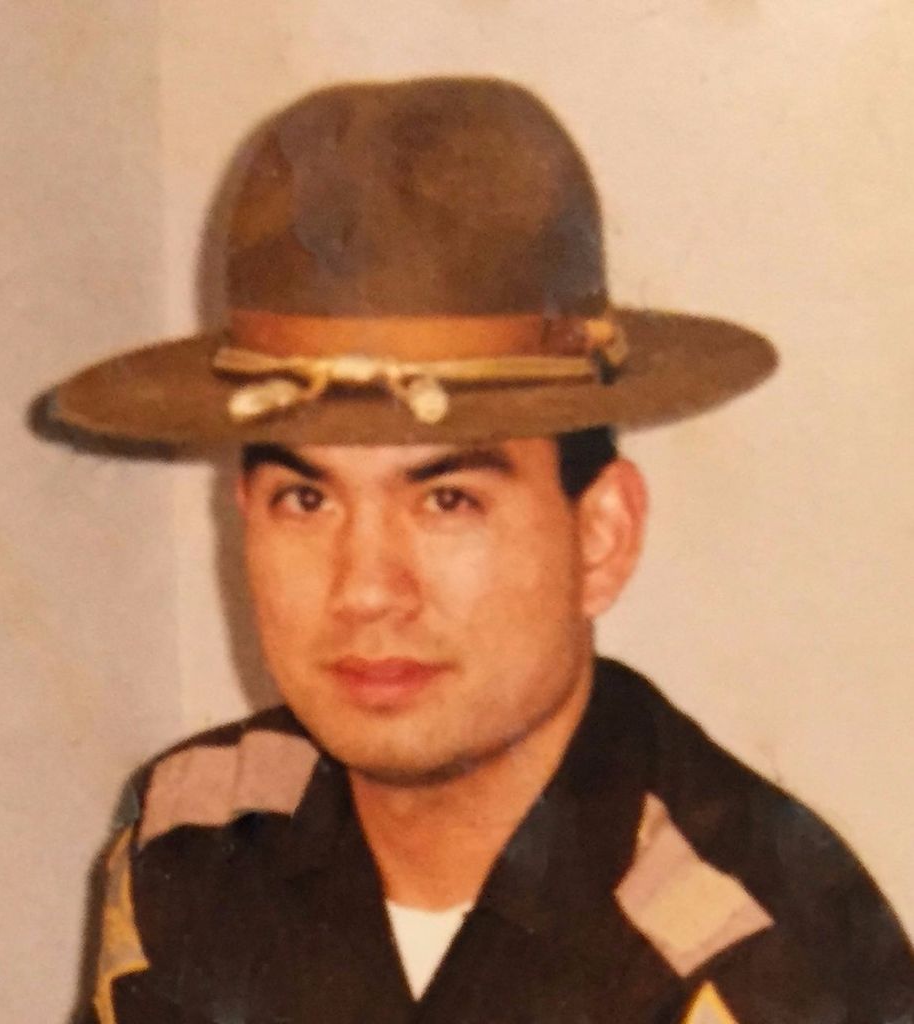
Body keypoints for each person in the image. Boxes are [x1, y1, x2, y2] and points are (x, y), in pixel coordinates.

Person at [52, 77, 912, 1024]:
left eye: (447, 500)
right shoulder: (196, 846)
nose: (367, 590)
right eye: (307, 499)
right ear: (242, 518)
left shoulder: (763, 958)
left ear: (601, 537)